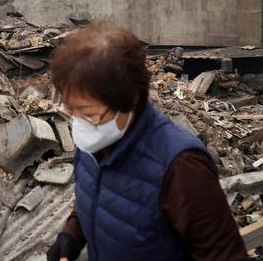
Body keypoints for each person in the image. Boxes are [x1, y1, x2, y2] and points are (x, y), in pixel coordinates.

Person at [46, 22, 247, 261]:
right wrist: (72, 233)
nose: (79, 122)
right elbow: (99, 192)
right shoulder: (94, 141)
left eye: (88, 112)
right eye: (71, 110)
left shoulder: (181, 167)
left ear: (130, 101)